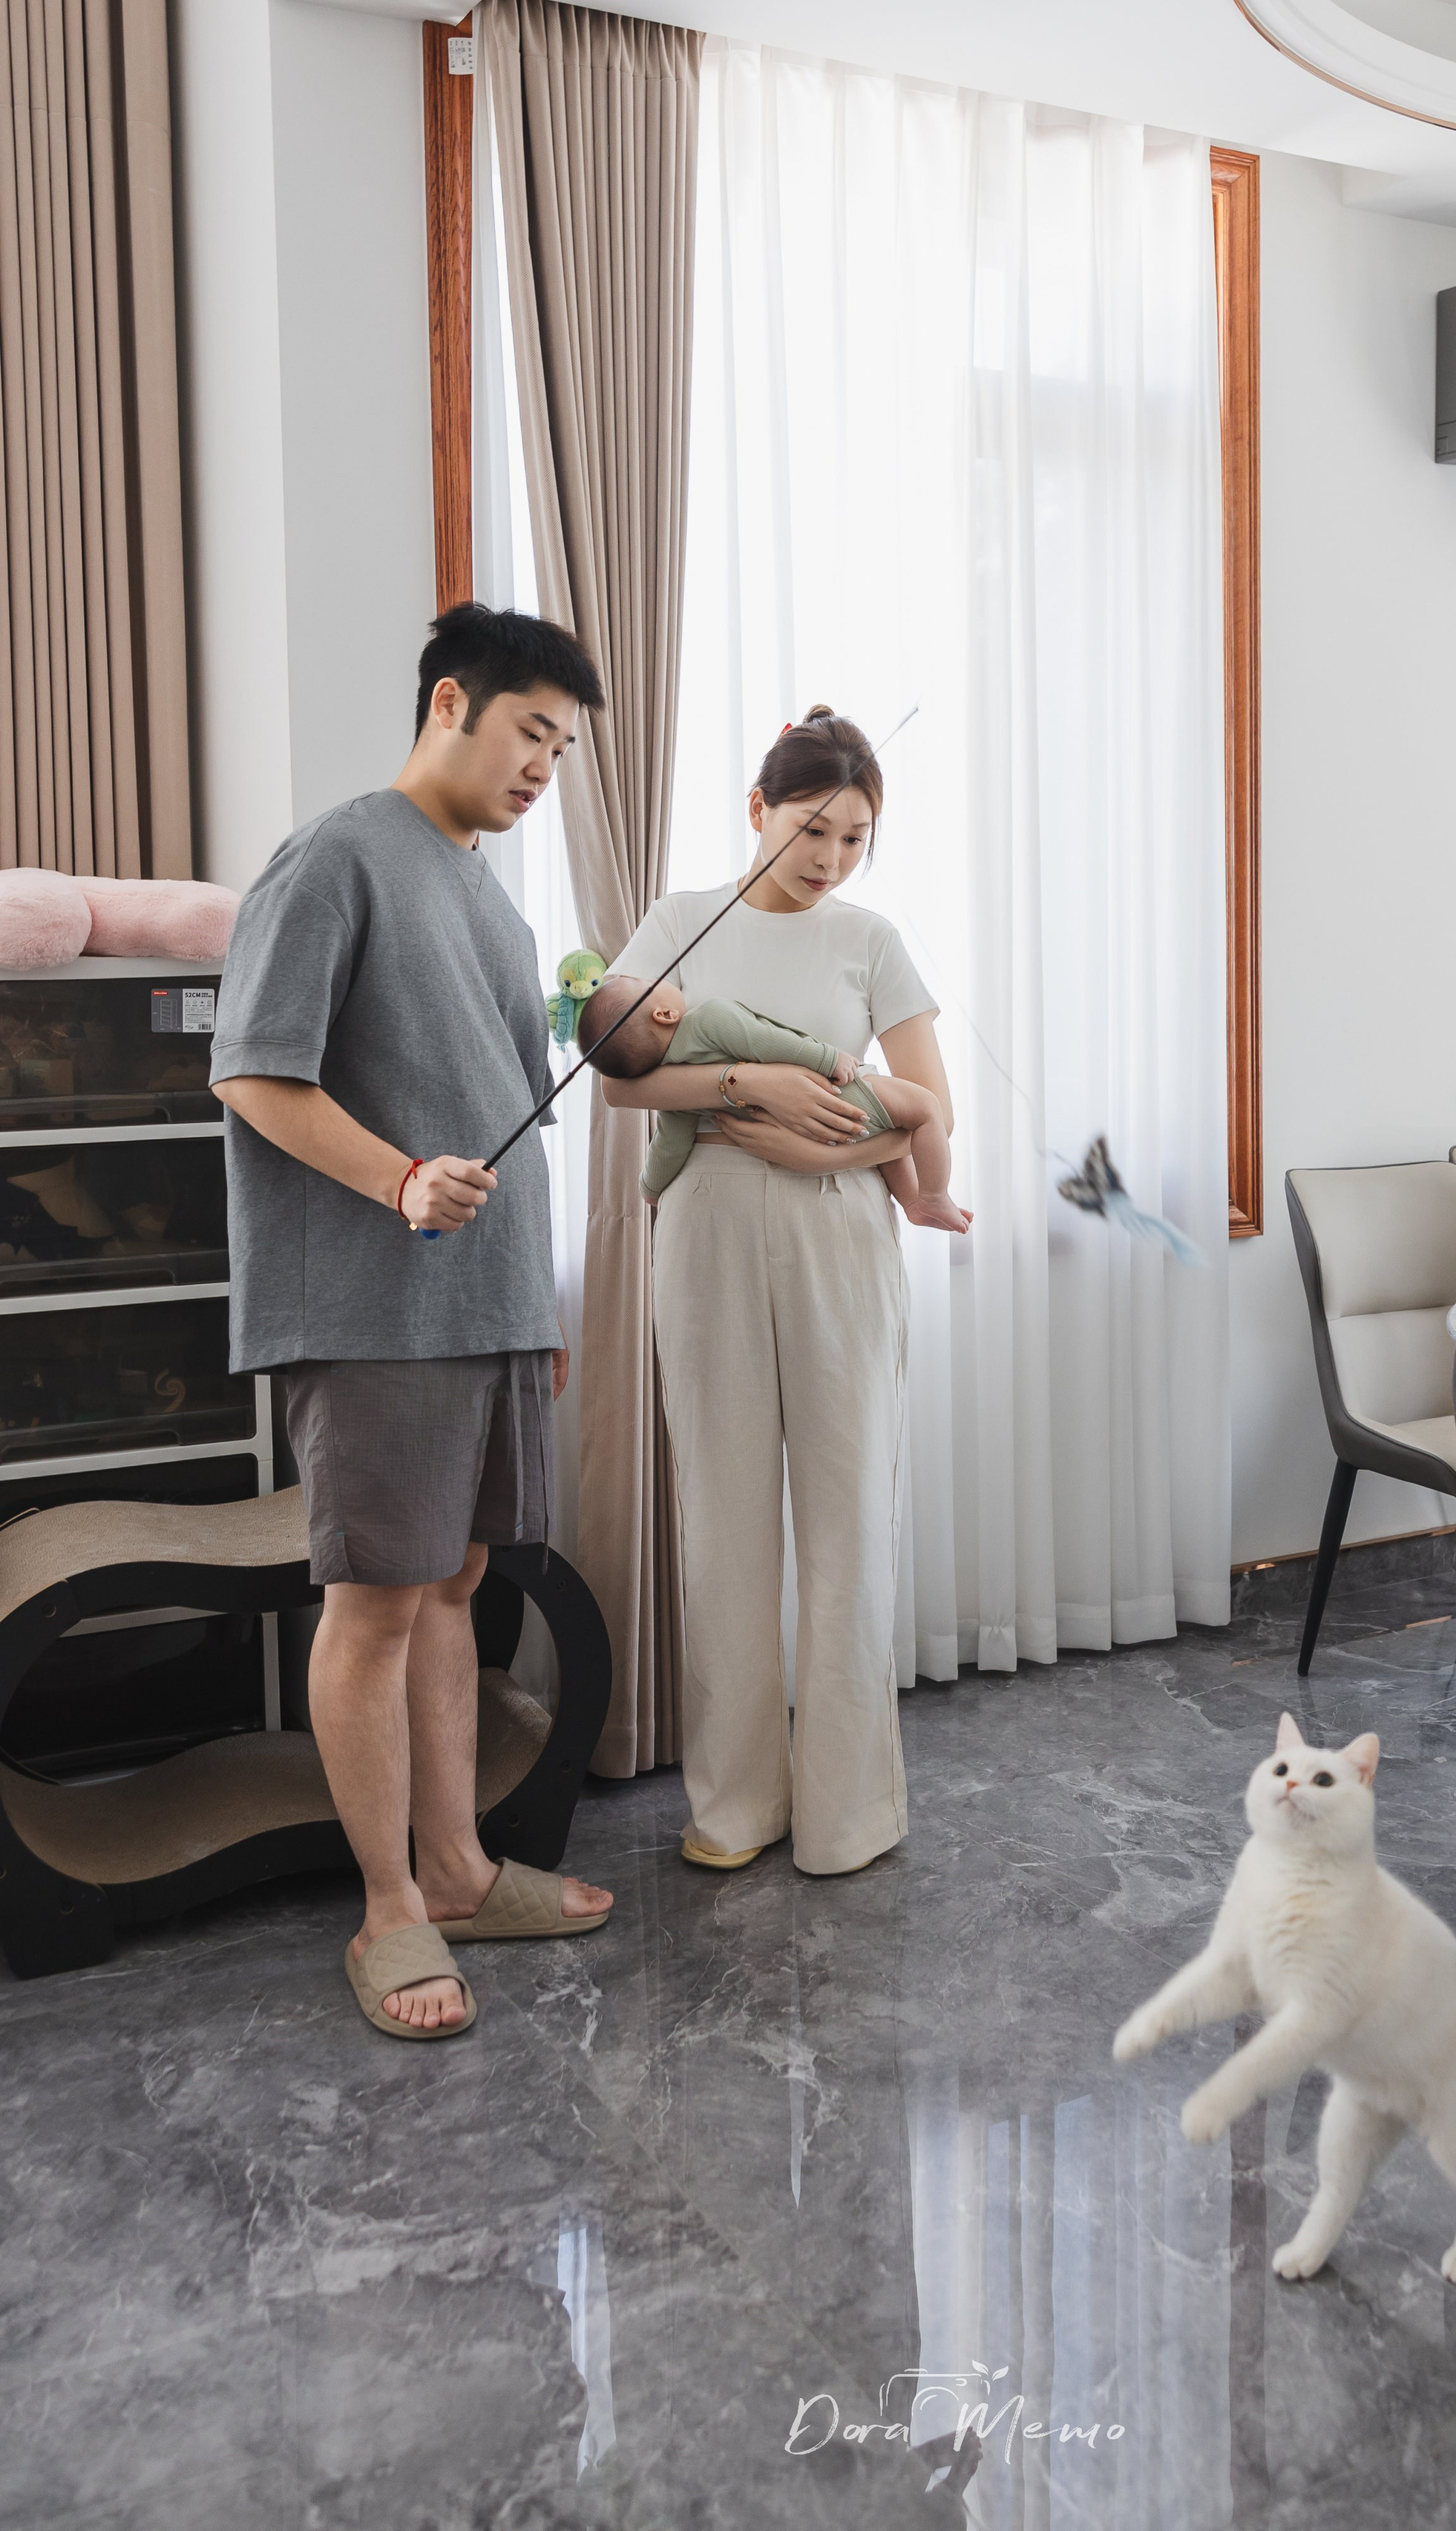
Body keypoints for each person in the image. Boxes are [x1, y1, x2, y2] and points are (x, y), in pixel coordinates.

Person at [210, 603, 616, 2040]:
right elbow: (253, 1073)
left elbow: (503, 1113)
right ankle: (386, 1907)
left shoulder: (491, 899)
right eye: (529, 735)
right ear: (451, 701)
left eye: (560, 751)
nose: (540, 771)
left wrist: (533, 1303)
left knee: (453, 1582)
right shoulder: (332, 858)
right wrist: (394, 1179)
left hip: (486, 1308)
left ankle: (455, 1865)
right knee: (376, 1601)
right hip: (370, 1306)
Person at [606, 707, 957, 1875]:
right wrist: (752, 1076)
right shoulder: (674, 920)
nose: (831, 858)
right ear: (759, 809)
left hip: (839, 1235)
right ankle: (734, 1802)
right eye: (815, 829)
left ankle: (850, 1811)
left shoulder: (872, 939)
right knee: (725, 1514)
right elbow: (621, 1086)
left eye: (855, 838)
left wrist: (819, 1149)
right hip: (702, 1231)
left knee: (849, 1511)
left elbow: (928, 1109)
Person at [577, 974, 971, 1234]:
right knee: (925, 1110)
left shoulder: (678, 1095)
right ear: (664, 1013)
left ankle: (910, 1201)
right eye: (650, 981)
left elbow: (670, 1144)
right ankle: (933, 1195)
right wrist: (828, 1058)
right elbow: (770, 1041)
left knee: (889, 1140)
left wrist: (649, 1186)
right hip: (837, 1095)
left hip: (800, 1133)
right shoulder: (709, 1019)